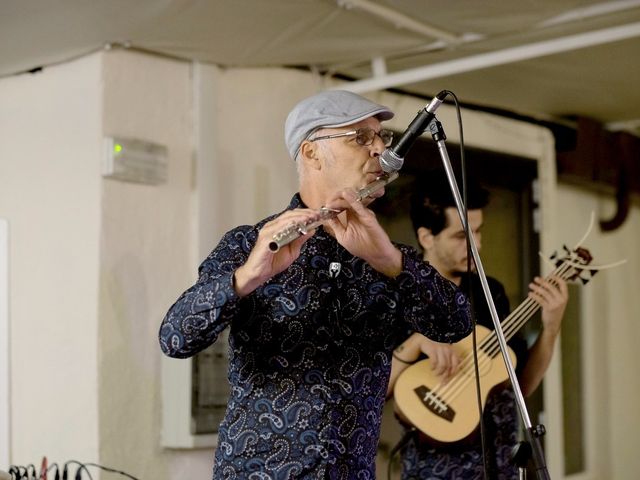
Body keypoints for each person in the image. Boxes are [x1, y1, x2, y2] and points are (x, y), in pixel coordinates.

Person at [159, 90, 473, 479]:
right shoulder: (247, 244)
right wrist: (246, 279)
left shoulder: (390, 258)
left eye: (381, 137)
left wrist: (391, 263)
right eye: (360, 138)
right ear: (311, 153)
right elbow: (175, 338)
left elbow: (455, 324)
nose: (379, 150)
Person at [386, 174, 569, 479]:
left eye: (479, 232)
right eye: (462, 237)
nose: (478, 245)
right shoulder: (400, 294)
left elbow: (518, 385)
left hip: (501, 460)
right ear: (426, 237)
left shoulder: (490, 291)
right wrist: (417, 342)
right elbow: (375, 391)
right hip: (435, 468)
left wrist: (551, 326)